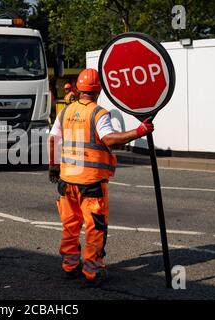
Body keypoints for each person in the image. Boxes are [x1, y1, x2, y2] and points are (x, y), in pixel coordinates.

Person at [47, 68, 154, 287]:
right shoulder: (99, 113)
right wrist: (139, 131)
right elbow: (110, 139)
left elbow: (52, 140)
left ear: (77, 88)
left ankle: (69, 266)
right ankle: (92, 272)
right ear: (98, 91)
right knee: (95, 228)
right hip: (92, 183)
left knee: (70, 225)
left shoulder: (65, 112)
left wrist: (53, 167)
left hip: (67, 181)